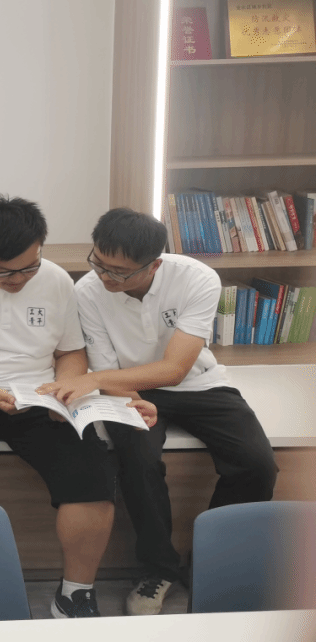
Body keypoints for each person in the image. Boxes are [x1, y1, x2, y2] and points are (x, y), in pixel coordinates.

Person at [0, 194, 154, 619]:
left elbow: (70, 352)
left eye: (29, 267)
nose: (18, 278)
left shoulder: (56, 280)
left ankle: (75, 594)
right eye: (4, 271)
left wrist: (62, 389)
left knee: (91, 473)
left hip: (39, 395)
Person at [37, 207, 278, 616]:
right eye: (98, 262)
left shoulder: (197, 278)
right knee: (137, 458)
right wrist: (124, 396)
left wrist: (93, 381)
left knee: (257, 464)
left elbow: (176, 368)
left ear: (154, 265)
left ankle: (215, 560)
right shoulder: (87, 292)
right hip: (124, 386)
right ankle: (158, 570)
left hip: (199, 384)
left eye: (119, 272)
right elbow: (107, 367)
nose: (104, 276)